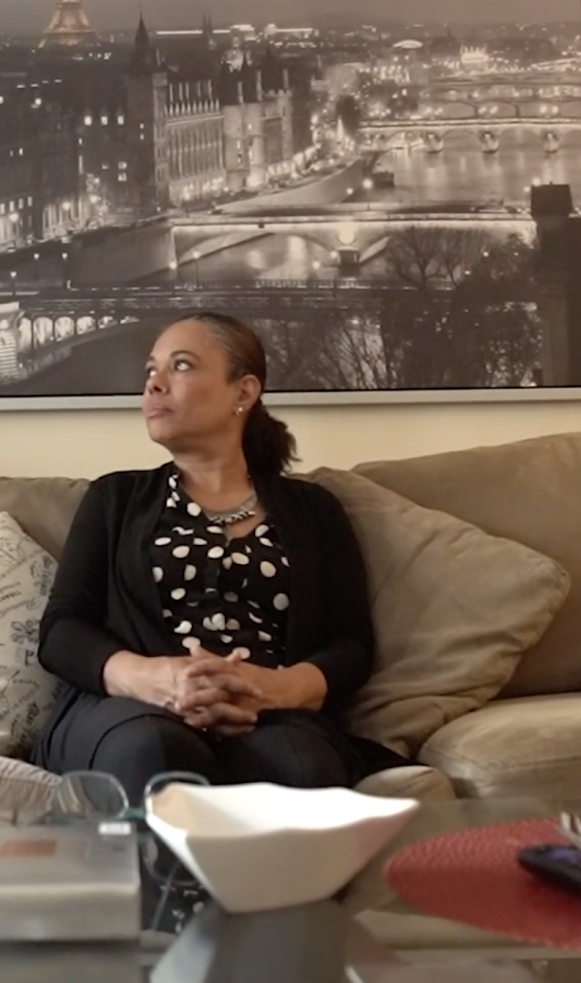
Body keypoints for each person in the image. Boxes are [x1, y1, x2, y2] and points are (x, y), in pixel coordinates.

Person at [33, 312, 401, 802]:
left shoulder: (314, 509)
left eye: (180, 366)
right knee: (155, 752)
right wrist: (156, 680)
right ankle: (169, 883)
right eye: (150, 371)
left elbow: (350, 643)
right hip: (133, 710)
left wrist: (269, 689)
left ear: (243, 392)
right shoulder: (113, 499)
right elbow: (62, 631)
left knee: (303, 768)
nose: (154, 384)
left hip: (272, 712)